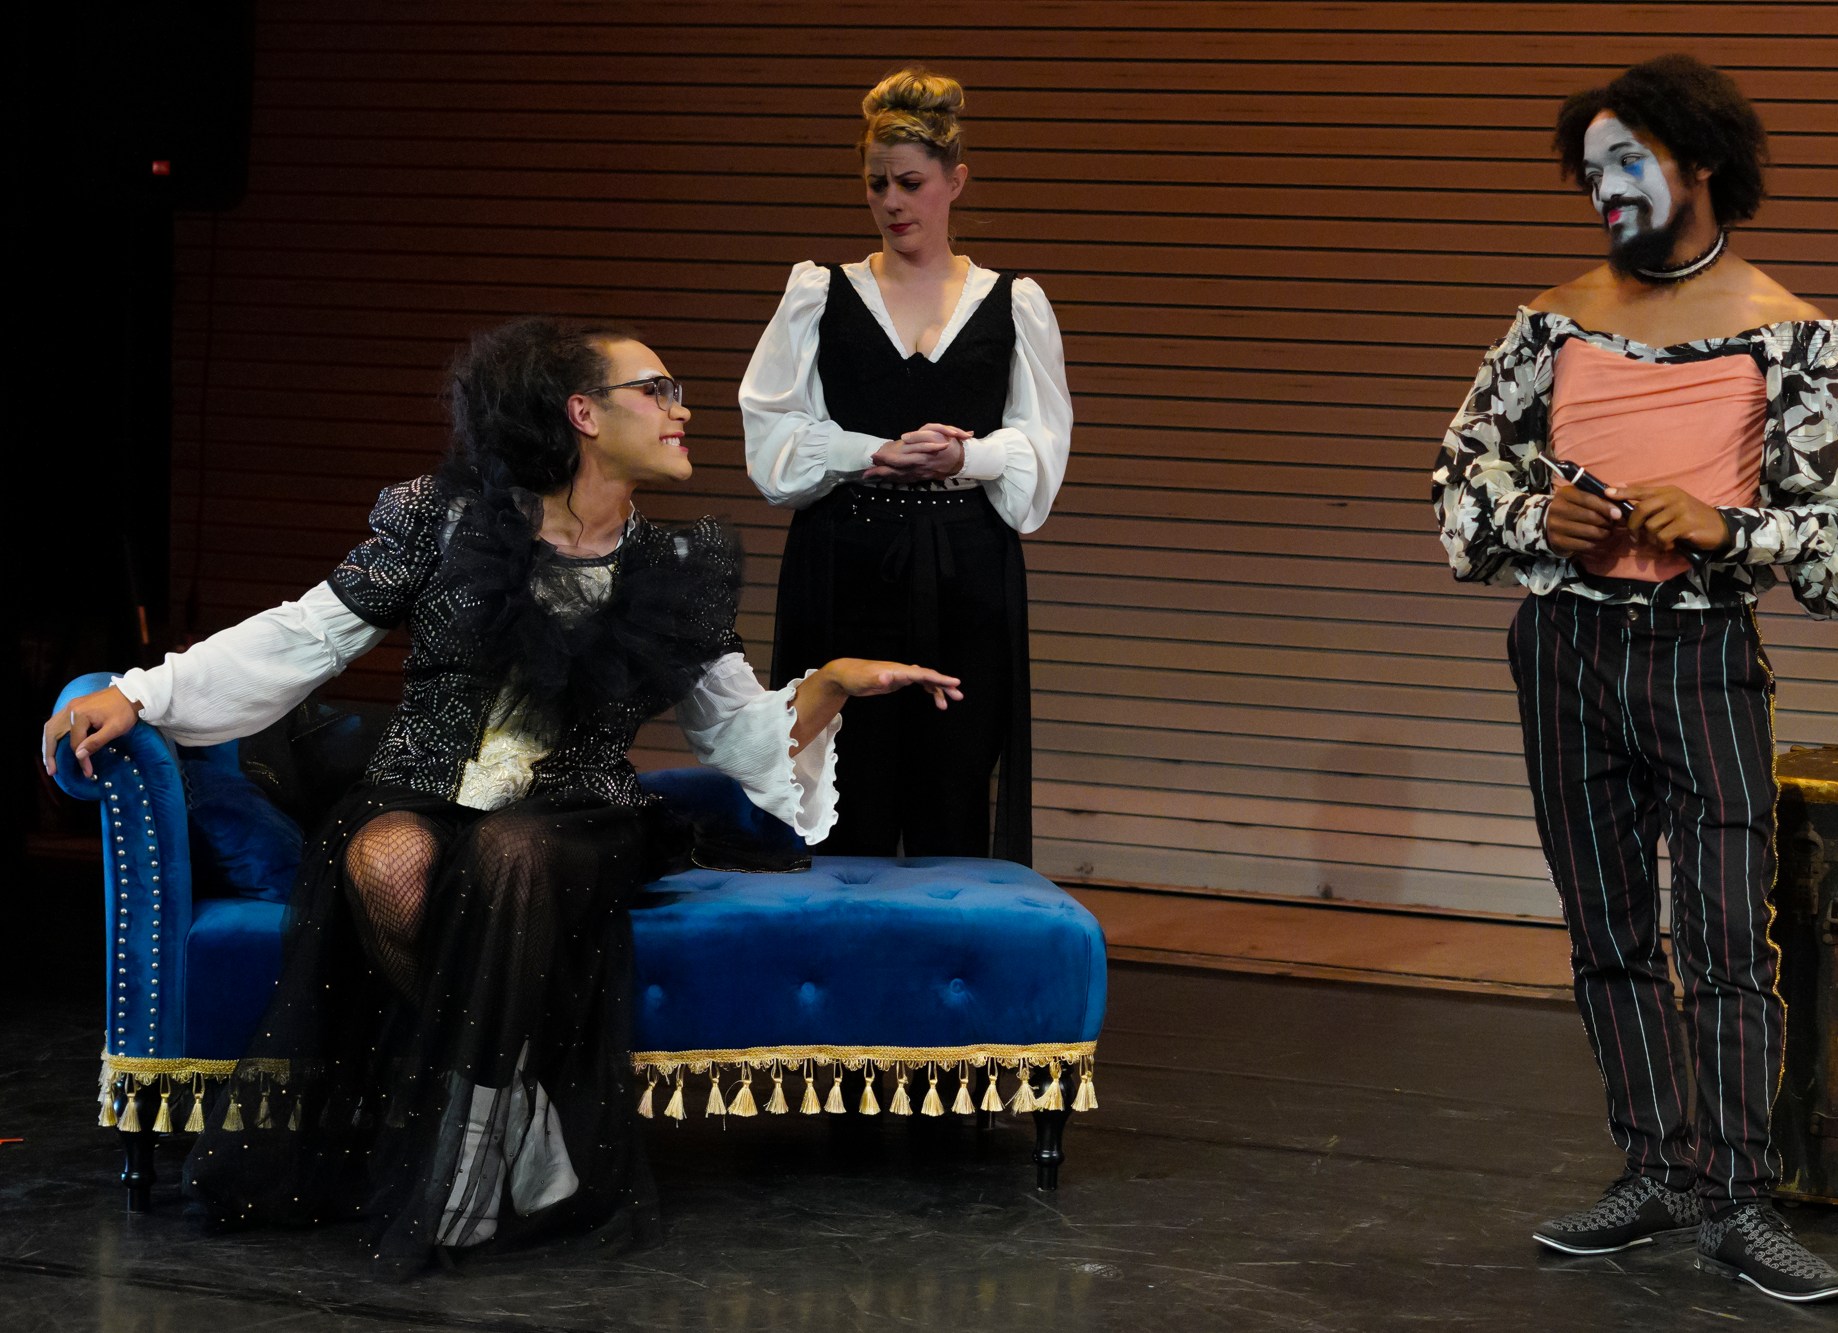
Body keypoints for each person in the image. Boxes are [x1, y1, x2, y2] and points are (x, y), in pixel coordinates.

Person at [42, 317, 960, 1275]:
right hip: (424, 786)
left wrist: (834, 682)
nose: (683, 409)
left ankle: (464, 1157)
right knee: (384, 857)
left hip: (577, 815)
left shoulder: (675, 569)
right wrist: (142, 690)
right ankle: (521, 1107)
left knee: (508, 851)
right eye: (658, 388)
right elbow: (304, 637)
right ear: (583, 414)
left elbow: (739, 733)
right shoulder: (445, 522)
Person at [1431, 55, 1838, 1304]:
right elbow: (1455, 484)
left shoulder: (1789, 334)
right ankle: (1654, 1167)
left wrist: (1727, 526)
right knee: (1604, 934)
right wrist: (1541, 517)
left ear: (1697, 163)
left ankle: (1739, 1200)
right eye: (1588, 173)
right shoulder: (1550, 323)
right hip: (1564, 652)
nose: (1604, 193)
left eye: (1626, 163)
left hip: (1698, 656)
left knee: (1723, 937)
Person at [740, 67, 1072, 863]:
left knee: (956, 784)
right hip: (846, 561)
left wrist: (971, 453)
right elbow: (772, 442)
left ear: (955, 183)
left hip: (968, 570)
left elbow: (1040, 457)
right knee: (843, 786)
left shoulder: (1013, 300)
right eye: (876, 184)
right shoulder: (819, 292)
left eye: (911, 183)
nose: (892, 202)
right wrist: (871, 451)